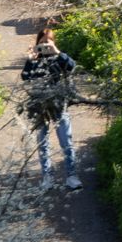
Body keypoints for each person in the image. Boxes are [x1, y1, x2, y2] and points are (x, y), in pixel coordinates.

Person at [19, 25, 83, 191]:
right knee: (43, 143)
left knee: (66, 141)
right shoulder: (35, 61)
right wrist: (30, 61)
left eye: (48, 43)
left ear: (53, 43)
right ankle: (47, 177)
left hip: (58, 104)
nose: (45, 47)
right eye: (42, 44)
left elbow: (72, 67)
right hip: (39, 106)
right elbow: (26, 78)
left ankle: (71, 175)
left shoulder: (59, 58)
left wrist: (57, 52)